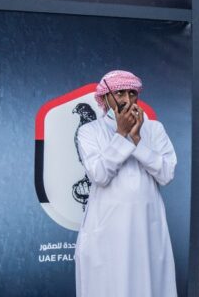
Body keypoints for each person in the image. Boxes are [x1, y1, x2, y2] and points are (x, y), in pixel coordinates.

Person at [74, 70, 177, 297]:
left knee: (148, 285)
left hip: (146, 228)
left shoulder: (154, 129)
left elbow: (167, 173)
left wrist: (137, 140)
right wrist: (121, 135)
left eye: (132, 93)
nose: (127, 99)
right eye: (120, 93)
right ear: (105, 98)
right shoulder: (89, 131)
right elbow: (99, 175)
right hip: (108, 228)